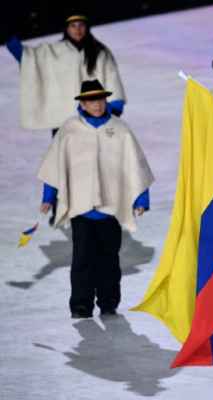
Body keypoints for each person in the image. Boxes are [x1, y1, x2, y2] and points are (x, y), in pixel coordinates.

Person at [37, 80, 154, 319]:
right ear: (82, 103)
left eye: (100, 99)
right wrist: (48, 197)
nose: (97, 105)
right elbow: (55, 165)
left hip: (110, 208)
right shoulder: (69, 130)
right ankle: (81, 305)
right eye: (91, 101)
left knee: (109, 259)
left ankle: (108, 302)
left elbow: (135, 165)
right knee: (82, 259)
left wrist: (141, 199)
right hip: (81, 208)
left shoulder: (120, 130)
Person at [6, 14, 126, 136]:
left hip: (95, 119)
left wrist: (115, 108)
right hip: (63, 121)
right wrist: (8, 36)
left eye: (81, 25)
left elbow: (112, 79)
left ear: (87, 27)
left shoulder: (100, 52)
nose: (77, 29)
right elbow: (27, 57)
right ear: (67, 29)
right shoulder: (53, 51)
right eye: (73, 26)